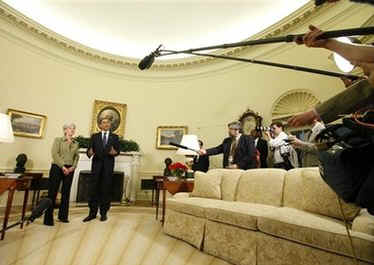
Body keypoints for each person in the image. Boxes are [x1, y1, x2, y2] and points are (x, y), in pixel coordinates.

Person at [83, 118, 120, 222]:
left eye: (108, 122)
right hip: (96, 167)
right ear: (100, 125)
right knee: (93, 190)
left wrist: (115, 152)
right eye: (104, 122)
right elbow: (89, 152)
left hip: (108, 167)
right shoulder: (95, 136)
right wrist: (89, 152)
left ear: (110, 125)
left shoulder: (115, 137)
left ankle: (103, 213)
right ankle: (92, 214)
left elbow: (117, 151)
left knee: (106, 190)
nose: (106, 124)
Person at [44, 123, 79, 226]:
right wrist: (63, 167)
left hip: (70, 169)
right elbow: (55, 154)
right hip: (57, 168)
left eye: (73, 129)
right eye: (70, 128)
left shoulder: (76, 143)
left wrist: (73, 167)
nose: (72, 130)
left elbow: (77, 156)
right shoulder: (58, 140)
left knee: (66, 193)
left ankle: (63, 216)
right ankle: (48, 219)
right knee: (52, 192)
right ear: (65, 130)